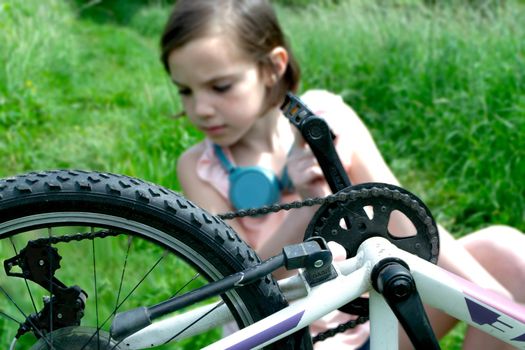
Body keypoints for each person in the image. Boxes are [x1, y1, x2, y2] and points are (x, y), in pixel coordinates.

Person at [159, 0, 525, 349]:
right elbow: (247, 286)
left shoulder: (327, 118)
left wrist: (493, 304)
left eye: (220, 87)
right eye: (185, 91)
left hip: (375, 327)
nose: (201, 108)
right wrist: (310, 206)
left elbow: (398, 213)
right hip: (289, 342)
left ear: (273, 67)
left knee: (506, 252)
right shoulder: (199, 168)